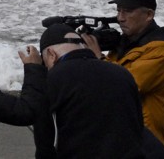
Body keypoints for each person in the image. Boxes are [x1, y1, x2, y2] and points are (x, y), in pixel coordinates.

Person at [32, 23, 148, 159]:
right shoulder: (122, 73)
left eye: (45, 62)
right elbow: (137, 125)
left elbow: (46, 141)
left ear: (51, 54)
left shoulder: (52, 79)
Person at [103, 0, 164, 145]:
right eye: (118, 11)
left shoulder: (161, 50)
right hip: (122, 138)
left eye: (127, 11)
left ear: (149, 15)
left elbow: (123, 85)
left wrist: (96, 57)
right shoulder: (124, 45)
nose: (120, 18)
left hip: (145, 143)